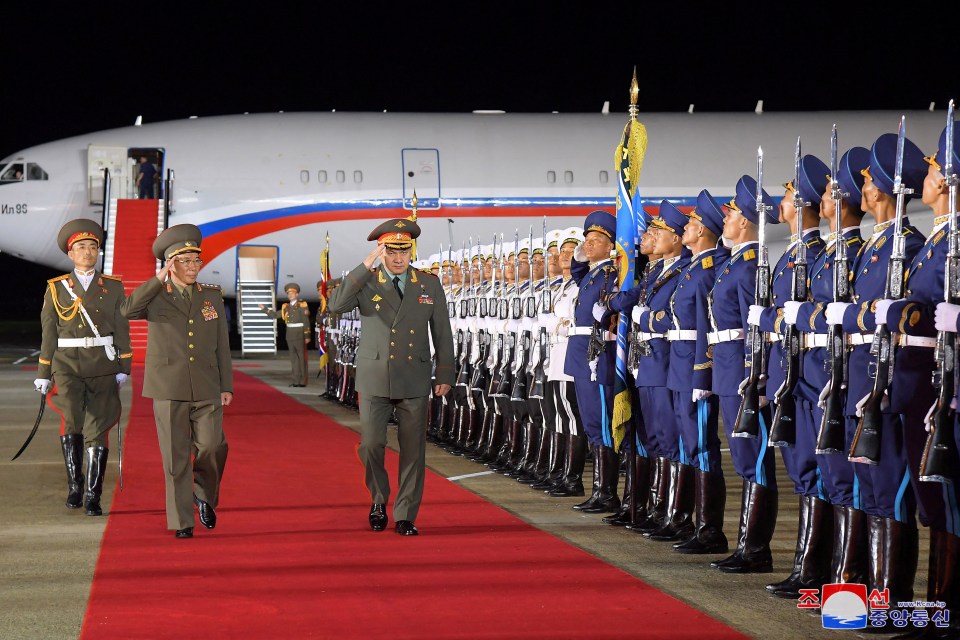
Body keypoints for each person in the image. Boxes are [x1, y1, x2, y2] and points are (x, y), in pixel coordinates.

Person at [328, 218, 454, 536]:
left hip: (413, 375)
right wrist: (365, 264)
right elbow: (335, 305)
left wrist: (445, 372)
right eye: (391, 252)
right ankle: (379, 498)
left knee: (413, 449)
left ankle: (406, 514)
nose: (399, 259)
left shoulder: (428, 284)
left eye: (404, 251)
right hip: (375, 377)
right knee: (370, 445)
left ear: (411, 251)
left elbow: (442, 333)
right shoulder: (365, 282)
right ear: (381, 251)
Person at [748, 154, 829, 598]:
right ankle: (806, 566)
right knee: (801, 472)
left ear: (802, 204)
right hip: (787, 375)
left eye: (786, 195)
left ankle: (813, 568)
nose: (779, 203)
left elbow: (806, 319)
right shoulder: (790, 255)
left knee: (815, 472)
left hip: (810, 376)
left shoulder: (814, 255)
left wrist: (775, 320)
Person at [122, 224, 232, 539]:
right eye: (186, 261)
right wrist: (157, 280)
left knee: (212, 446)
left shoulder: (210, 296)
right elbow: (128, 310)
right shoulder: (157, 296)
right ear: (171, 264)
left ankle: (203, 494)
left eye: (196, 261)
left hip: (207, 384)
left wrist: (226, 385)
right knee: (176, 457)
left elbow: (221, 344)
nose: (195, 267)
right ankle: (183, 521)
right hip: (168, 386)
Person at [708, 175, 781, 574]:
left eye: (732, 212)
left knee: (754, 458)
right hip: (727, 366)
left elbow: (759, 330)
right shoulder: (735, 261)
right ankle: (746, 545)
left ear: (747, 222)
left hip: (742, 370)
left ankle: (755, 549)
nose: (726, 217)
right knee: (743, 457)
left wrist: (761, 376)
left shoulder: (751, 265)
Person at [36, 219, 132, 516]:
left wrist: (123, 365)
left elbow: (121, 327)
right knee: (74, 421)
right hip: (67, 365)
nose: (88, 252)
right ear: (71, 253)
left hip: (102, 364)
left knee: (98, 425)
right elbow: (49, 332)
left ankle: (93, 494)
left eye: (93, 247)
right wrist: (43, 372)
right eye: (81, 247)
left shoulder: (113, 287)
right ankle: (74, 485)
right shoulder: (56, 288)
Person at [566, 210, 621, 514]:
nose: (588, 244)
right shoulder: (592, 273)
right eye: (587, 238)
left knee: (601, 423)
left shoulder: (611, 273)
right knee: (591, 423)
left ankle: (607, 492)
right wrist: (579, 253)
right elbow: (577, 274)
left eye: (596, 239)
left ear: (611, 245)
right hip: (581, 353)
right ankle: (600, 490)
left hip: (596, 355)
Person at [260, 283, 311, 387]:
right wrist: (264, 308)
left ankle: (302, 381)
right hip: (290, 335)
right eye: (289, 294)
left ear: (297, 294)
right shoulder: (286, 307)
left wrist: (307, 336)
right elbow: (275, 315)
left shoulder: (302, 306)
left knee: (301, 358)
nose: (290, 295)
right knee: (293, 359)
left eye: (292, 293)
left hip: (299, 334)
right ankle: (295, 381)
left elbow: (306, 321)